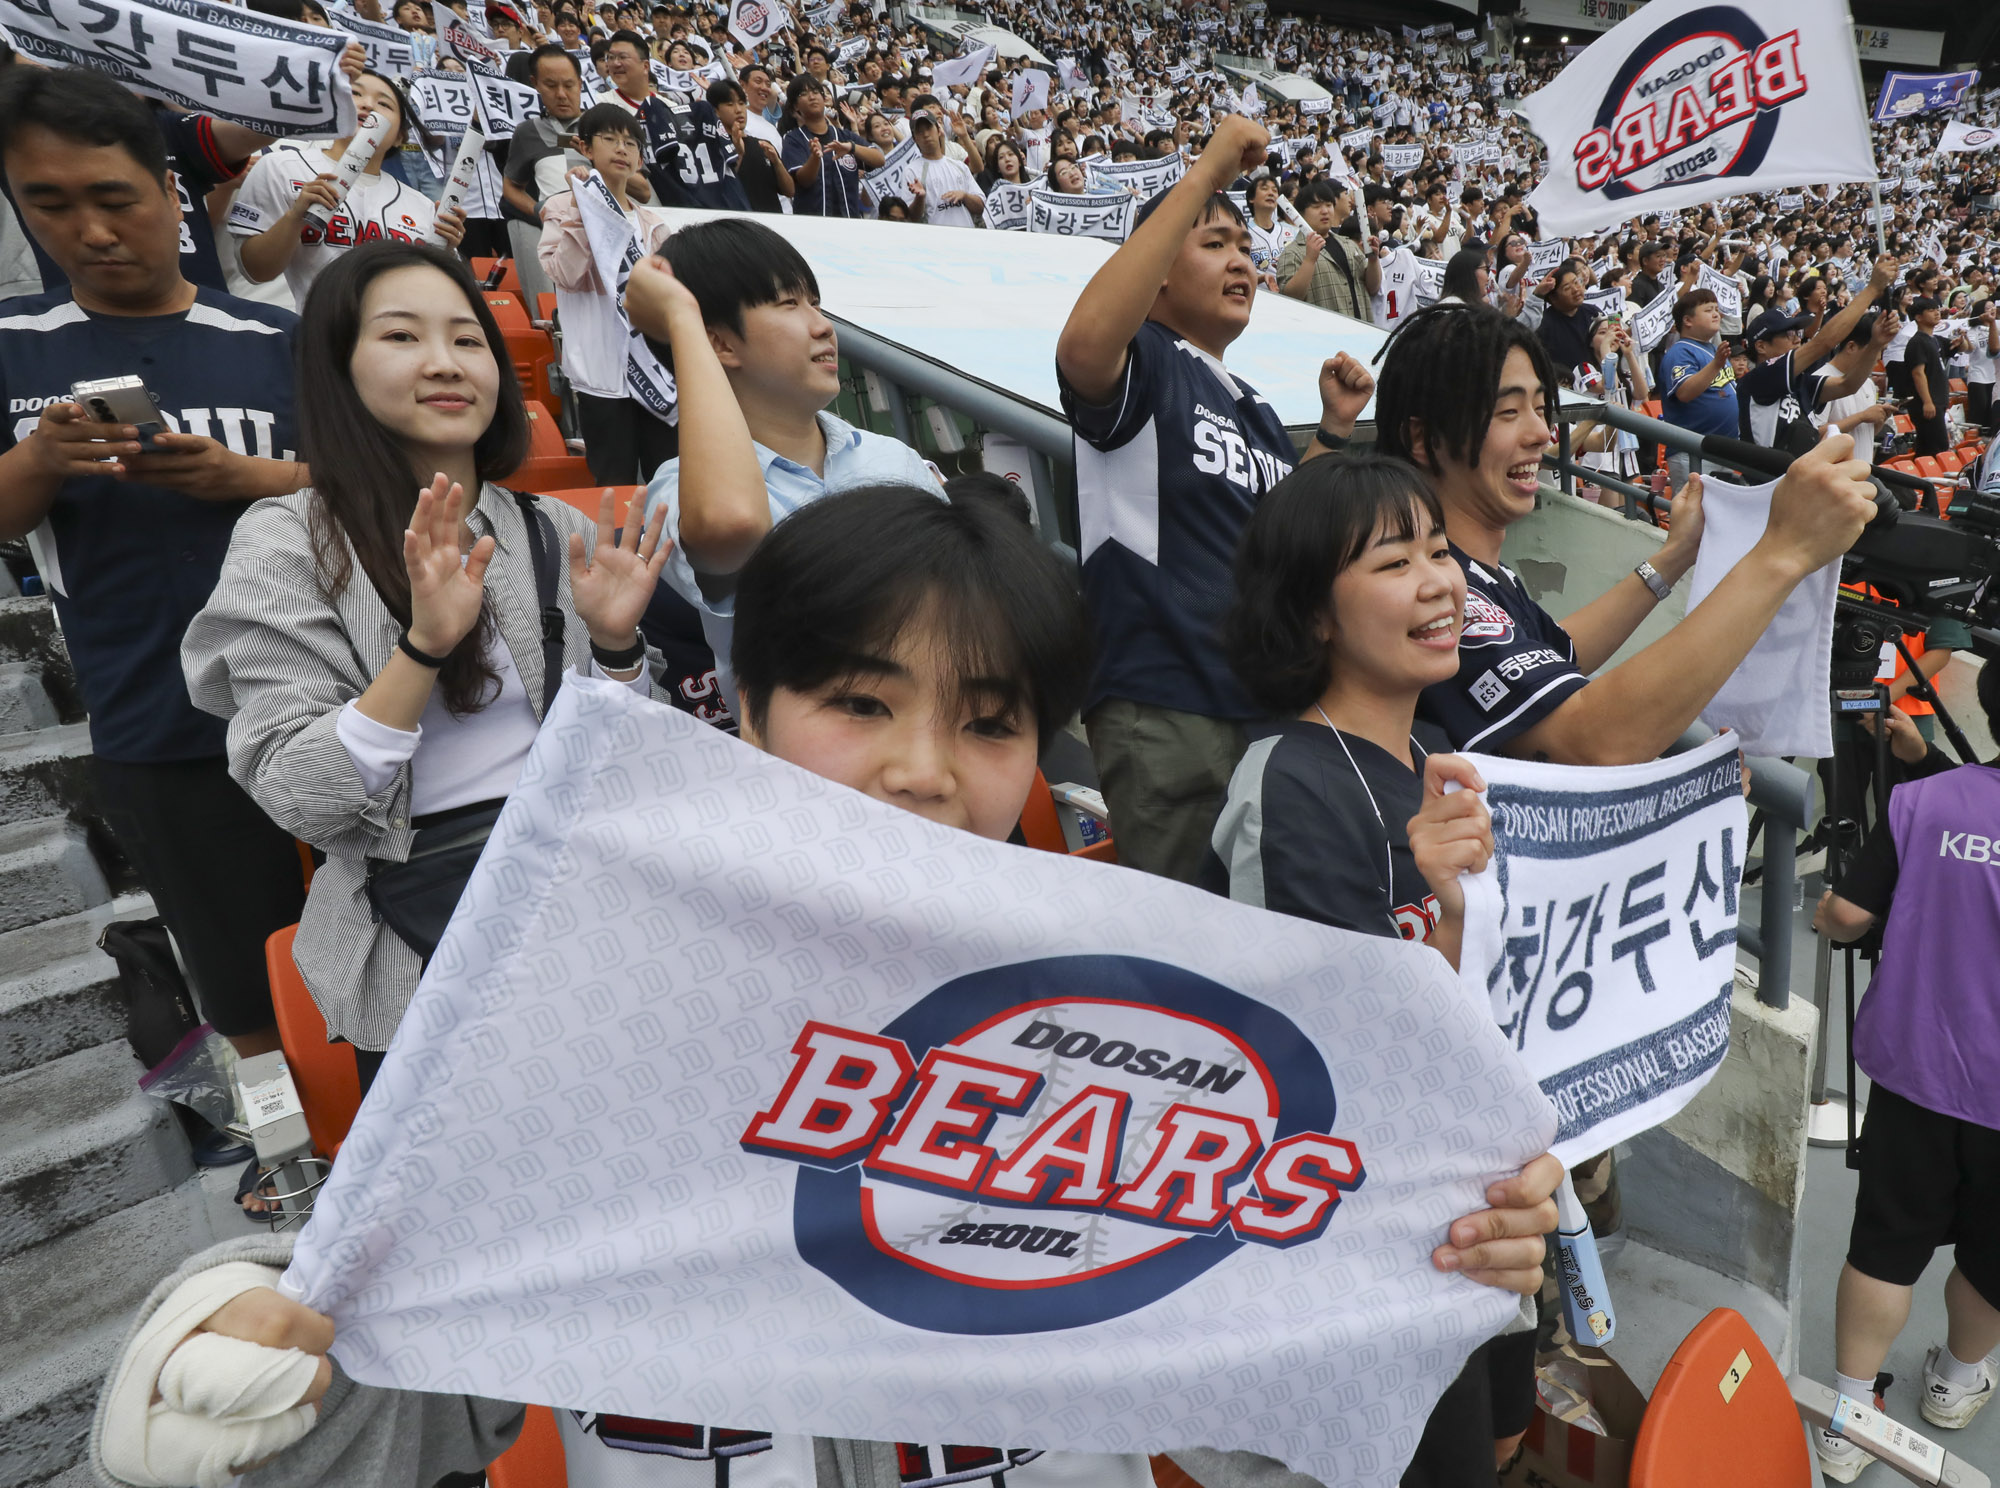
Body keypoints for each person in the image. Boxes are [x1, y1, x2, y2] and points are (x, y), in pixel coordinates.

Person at [98, 297, 1566, 1488]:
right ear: (742, 718)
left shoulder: (1131, 1058)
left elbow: (1246, 1445)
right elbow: (393, 1393)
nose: (924, 773)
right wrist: (235, 1358)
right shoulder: (587, 1052)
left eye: (989, 724)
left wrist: (1429, 1251)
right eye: (859, 703)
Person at [180, 242, 670, 1096]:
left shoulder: (552, 527)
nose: (446, 363)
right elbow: (302, 795)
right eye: (402, 337)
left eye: (470, 339)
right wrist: (423, 648)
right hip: (422, 950)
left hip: (590, 913)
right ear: (341, 368)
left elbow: (633, 759)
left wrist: (622, 650)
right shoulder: (287, 537)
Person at [0, 65, 314, 1213]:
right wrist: (36, 463)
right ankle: (290, 1154)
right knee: (234, 971)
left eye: (113, 197)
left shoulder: (267, 339)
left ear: (172, 192)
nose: (87, 230)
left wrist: (247, 477)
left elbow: (364, 491)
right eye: (48, 203)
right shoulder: (15, 347)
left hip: (323, 701)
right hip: (153, 713)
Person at [1203, 453, 1550, 1484]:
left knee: (1494, 1442)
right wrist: (1443, 928)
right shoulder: (1288, 780)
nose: (1440, 582)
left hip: (1472, 1222)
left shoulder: (1432, 761)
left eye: (1438, 550)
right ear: (1312, 614)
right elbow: (1324, 1068)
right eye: (1395, 562)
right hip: (1369, 1263)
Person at [1052, 115, 1371, 883]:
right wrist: (1208, 173)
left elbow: (1292, 531)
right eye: (1214, 244)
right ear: (1156, 267)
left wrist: (1330, 431)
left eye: (1246, 249)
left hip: (1258, 705)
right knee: (1191, 942)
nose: (1244, 263)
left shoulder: (1254, 404)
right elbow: (1083, 349)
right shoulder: (1146, 363)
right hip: (1167, 706)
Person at [628, 216, 937, 712]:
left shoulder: (895, 460)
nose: (822, 326)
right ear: (720, 344)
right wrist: (681, 317)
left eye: (815, 302)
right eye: (789, 304)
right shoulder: (680, 490)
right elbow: (731, 522)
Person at [1811, 675, 2000, 1481]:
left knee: (1884, 1247)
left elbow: (1850, 917)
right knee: (1994, 1258)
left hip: (1918, 1075)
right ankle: (1957, 1383)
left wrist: (1826, 910)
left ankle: (1849, 1421)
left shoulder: (1935, 803)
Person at [230, 71, 467, 306]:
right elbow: (255, 271)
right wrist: (295, 218)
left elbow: (432, 295)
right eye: (355, 93)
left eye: (384, 103)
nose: (368, 105)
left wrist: (444, 252)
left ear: (400, 138)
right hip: (293, 327)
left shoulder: (421, 205)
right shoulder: (281, 167)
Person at [536, 104, 675, 484]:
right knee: (614, 481)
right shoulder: (562, 207)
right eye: (610, 139)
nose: (621, 149)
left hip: (656, 371)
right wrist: (585, 208)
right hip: (601, 373)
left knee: (670, 475)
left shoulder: (655, 224)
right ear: (585, 147)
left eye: (631, 142)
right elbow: (565, 274)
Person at [1739, 253, 1896, 453]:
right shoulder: (1758, 379)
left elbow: (1848, 385)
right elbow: (1824, 343)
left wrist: (1875, 344)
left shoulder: (1798, 381)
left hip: (1799, 475)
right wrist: (1872, 289)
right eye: (1788, 334)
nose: (1797, 338)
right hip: (1770, 480)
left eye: (1797, 332)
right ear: (1761, 346)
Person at [501, 43, 591, 302]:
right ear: (535, 84)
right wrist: (540, 211)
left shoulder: (602, 125)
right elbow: (510, 187)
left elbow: (638, 186)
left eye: (569, 85)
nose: (561, 94)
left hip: (598, 232)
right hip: (551, 234)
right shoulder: (527, 131)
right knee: (551, 307)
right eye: (551, 85)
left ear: (580, 84)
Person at [1657, 288, 1738, 487]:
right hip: (1693, 450)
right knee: (1692, 513)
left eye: (1717, 309)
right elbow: (1684, 392)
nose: (1716, 314)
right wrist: (1716, 364)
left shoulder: (1713, 350)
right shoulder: (1680, 351)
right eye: (1709, 309)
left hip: (1724, 449)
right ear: (1688, 320)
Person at [781, 75, 885, 218]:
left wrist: (852, 148)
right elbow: (804, 181)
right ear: (795, 106)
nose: (812, 97)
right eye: (803, 94)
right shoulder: (793, 138)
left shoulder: (844, 136)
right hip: (814, 226)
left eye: (816, 92)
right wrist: (815, 158)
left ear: (824, 99)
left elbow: (879, 159)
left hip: (850, 223)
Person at [1274, 178, 1371, 322]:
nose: (1325, 211)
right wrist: (1309, 260)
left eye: (1329, 205)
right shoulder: (1292, 252)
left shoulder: (1349, 244)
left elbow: (1373, 287)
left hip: (1361, 331)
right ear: (1300, 213)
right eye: (1316, 206)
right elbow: (1291, 297)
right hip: (1323, 336)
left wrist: (1373, 259)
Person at [711, 78, 793, 214]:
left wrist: (777, 163)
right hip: (740, 226)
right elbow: (720, 190)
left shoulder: (763, 145)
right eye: (730, 104)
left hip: (773, 224)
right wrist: (738, 153)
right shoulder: (715, 146)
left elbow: (789, 191)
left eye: (742, 103)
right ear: (716, 111)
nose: (738, 110)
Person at [908, 112, 983, 227]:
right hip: (936, 242)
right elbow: (911, 217)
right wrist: (920, 198)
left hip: (967, 239)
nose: (926, 134)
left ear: (939, 130)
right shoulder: (912, 171)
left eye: (929, 128)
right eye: (920, 131)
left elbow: (981, 206)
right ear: (914, 138)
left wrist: (965, 196)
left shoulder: (959, 166)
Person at [1904, 296, 1951, 456]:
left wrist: (1963, 338)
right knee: (1938, 448)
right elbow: (1918, 373)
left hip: (1938, 401)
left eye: (1937, 309)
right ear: (1918, 317)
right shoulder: (1917, 342)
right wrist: (1927, 402)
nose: (1936, 313)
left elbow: (1964, 347)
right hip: (1928, 403)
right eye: (1931, 311)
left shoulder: (1935, 339)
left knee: (1926, 449)